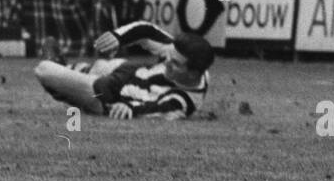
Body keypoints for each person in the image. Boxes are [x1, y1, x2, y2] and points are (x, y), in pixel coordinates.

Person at [33, 22, 214, 120]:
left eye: (174, 64)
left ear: (192, 74)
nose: (166, 62)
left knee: (44, 70)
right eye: (169, 58)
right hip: (130, 74)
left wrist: (129, 107)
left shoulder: (182, 100)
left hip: (110, 96)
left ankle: (57, 68)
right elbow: (146, 30)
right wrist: (119, 36)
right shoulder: (185, 55)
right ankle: (66, 71)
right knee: (103, 65)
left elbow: (155, 109)